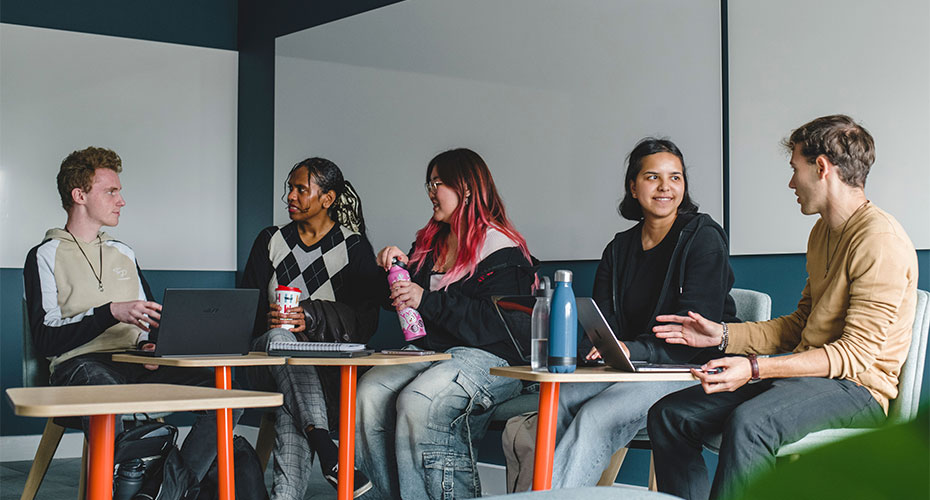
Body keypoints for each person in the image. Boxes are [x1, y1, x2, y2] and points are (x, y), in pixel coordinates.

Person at [648, 115, 919, 500]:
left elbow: (854, 356)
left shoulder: (880, 241)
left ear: (821, 167)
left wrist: (755, 367)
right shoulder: (823, 231)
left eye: (796, 169)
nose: (792, 183)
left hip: (857, 391)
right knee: (671, 416)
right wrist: (723, 335)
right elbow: (800, 324)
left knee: (750, 423)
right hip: (807, 378)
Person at [22, 146, 235, 494]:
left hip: (134, 362)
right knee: (108, 391)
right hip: (79, 366)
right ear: (79, 195)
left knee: (227, 392)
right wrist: (109, 313)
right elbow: (46, 339)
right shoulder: (45, 255)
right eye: (111, 191)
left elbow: (148, 319)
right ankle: (150, 479)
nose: (121, 201)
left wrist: (156, 343)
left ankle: (168, 488)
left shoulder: (124, 253)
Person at [549, 138, 738, 488]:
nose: (666, 187)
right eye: (653, 177)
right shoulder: (619, 248)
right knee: (557, 400)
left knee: (595, 417)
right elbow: (605, 323)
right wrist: (600, 345)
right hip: (633, 366)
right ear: (633, 187)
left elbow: (693, 335)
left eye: (676, 177)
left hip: (688, 366)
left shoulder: (703, 237)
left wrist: (631, 349)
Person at [355, 148, 538, 500]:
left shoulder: (503, 249)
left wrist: (426, 298)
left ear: (466, 189)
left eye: (437, 183)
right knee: (369, 392)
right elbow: (401, 303)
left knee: (421, 399)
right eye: (429, 183)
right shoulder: (430, 243)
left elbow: (496, 326)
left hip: (493, 359)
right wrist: (391, 271)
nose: (430, 191)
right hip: (436, 351)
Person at [241, 157, 383, 499]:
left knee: (295, 402)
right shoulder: (271, 241)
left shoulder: (353, 247)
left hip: (323, 369)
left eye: (301, 189)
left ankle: (287, 492)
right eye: (290, 188)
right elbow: (245, 312)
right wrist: (272, 322)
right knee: (280, 338)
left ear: (328, 199)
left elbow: (365, 324)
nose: (290, 196)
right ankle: (327, 450)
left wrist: (312, 316)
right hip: (266, 361)